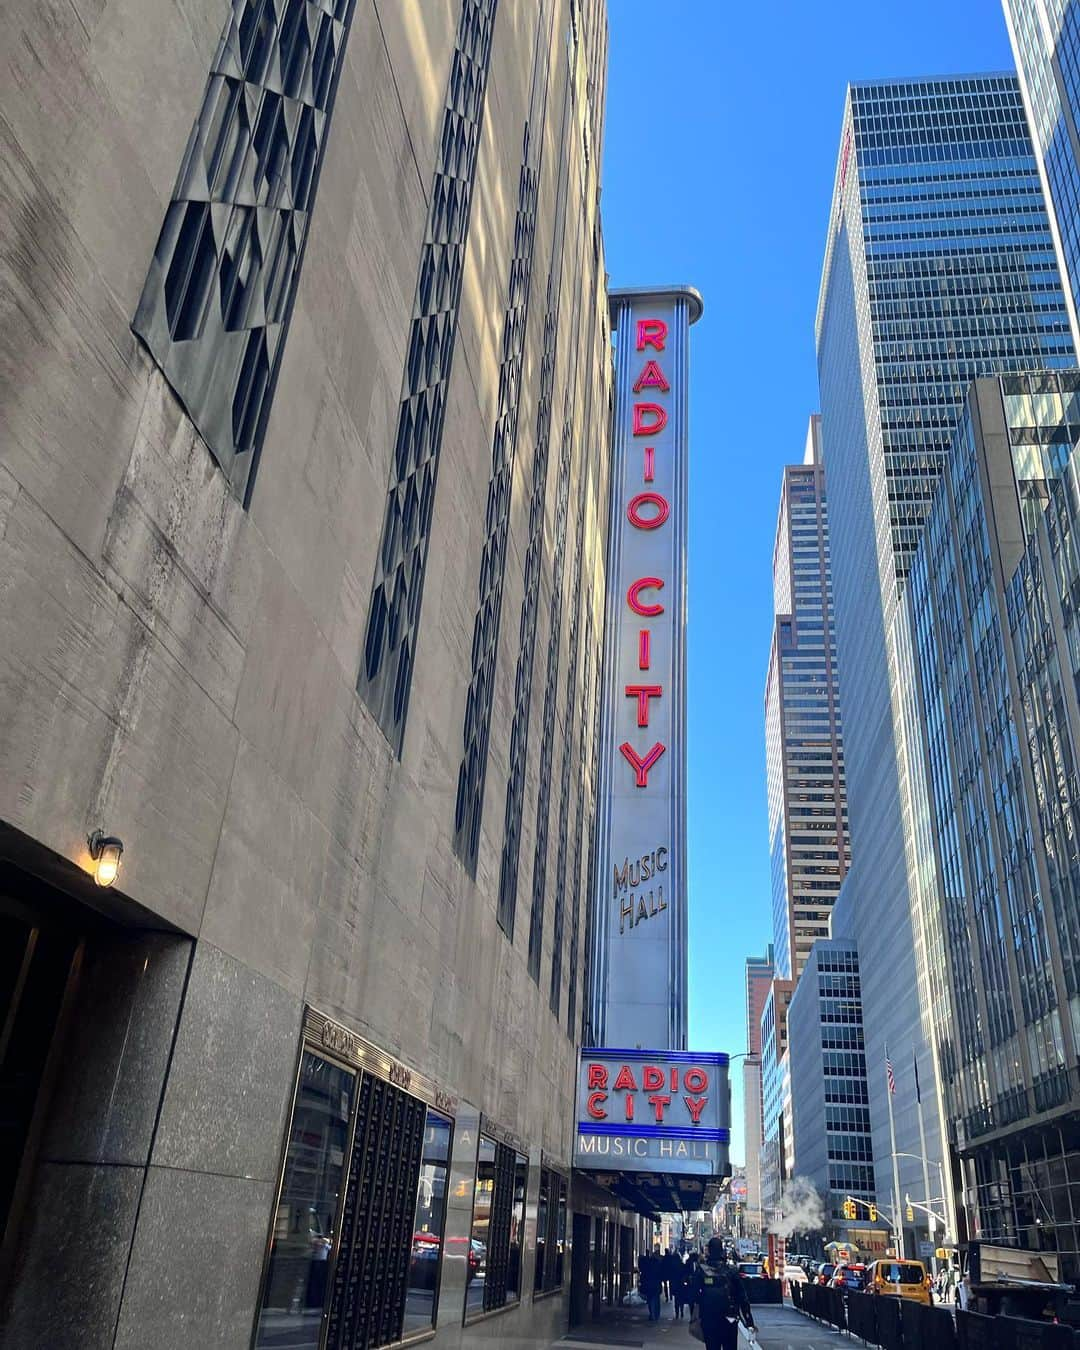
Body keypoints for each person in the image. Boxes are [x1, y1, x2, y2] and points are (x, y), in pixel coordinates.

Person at [690, 1237, 756, 1350]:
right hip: (729, 1319)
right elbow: (742, 1297)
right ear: (722, 1251)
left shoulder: (701, 1271)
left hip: (709, 1319)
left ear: (709, 1251)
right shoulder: (731, 1271)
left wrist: (697, 1316)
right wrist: (749, 1320)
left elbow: (693, 1296)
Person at [638, 1246, 662, 1322]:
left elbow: (644, 1275)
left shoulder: (648, 1265)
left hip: (649, 1285)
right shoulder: (658, 1265)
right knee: (655, 1300)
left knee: (651, 1299)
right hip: (656, 1285)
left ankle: (652, 1314)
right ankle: (655, 1314)